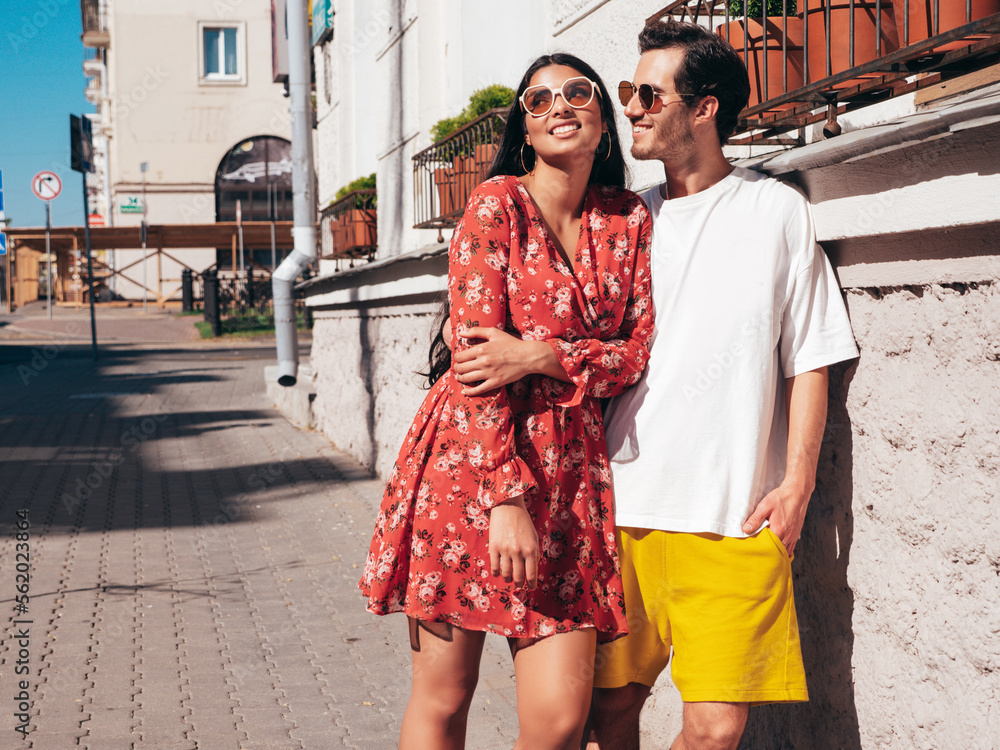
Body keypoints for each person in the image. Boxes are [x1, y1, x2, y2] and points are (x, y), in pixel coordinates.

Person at [359, 53, 654, 750]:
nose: (559, 106)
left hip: (573, 478)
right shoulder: (496, 204)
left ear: (603, 121)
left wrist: (546, 356)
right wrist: (505, 500)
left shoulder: (627, 218)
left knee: (557, 722)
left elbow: (635, 354)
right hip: (469, 467)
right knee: (445, 694)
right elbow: (475, 368)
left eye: (577, 93)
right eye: (538, 99)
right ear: (524, 128)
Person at [581, 19, 861, 750]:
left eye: (650, 93)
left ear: (703, 109)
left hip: (733, 519)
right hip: (620, 511)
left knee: (713, 730)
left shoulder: (775, 212)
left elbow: (812, 358)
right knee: (605, 713)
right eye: (627, 92)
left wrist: (796, 485)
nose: (632, 108)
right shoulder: (622, 222)